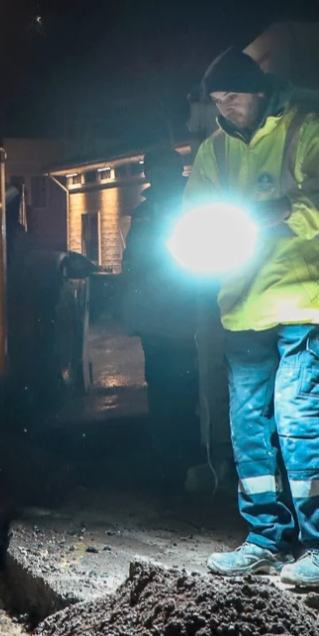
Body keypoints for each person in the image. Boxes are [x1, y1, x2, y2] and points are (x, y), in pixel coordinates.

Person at [185, 47, 319, 590]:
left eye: (233, 97)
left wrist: (283, 211)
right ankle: (265, 540)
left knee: (299, 419)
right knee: (249, 428)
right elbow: (196, 212)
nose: (226, 108)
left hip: (305, 305)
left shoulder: (311, 132)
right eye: (217, 100)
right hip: (244, 309)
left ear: (260, 91)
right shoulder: (214, 151)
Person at [121, 145, 205, 490]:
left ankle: (184, 454)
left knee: (184, 384)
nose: (154, 174)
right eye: (150, 168)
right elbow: (134, 261)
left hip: (184, 312)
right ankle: (166, 453)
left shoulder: (193, 202)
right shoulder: (144, 210)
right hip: (154, 315)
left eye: (161, 168)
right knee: (160, 383)